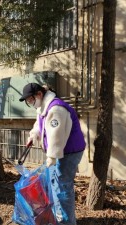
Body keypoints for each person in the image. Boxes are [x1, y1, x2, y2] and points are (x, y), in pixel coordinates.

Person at [19, 83, 86, 225]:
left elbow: (56, 136)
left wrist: (51, 157)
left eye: (30, 100)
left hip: (69, 151)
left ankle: (66, 222)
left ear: (39, 94)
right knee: (56, 184)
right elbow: (39, 123)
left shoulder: (56, 109)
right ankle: (61, 216)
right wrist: (33, 135)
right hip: (61, 151)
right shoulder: (43, 106)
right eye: (28, 102)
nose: (30, 103)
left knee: (62, 187)